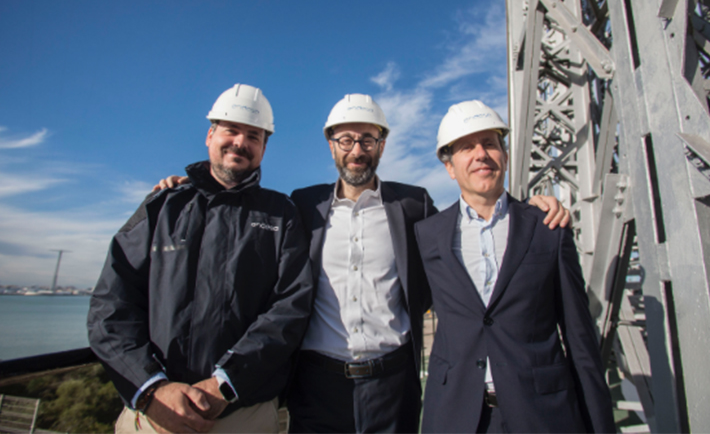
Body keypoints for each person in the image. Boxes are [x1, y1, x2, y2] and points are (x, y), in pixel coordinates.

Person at [154, 94, 569, 433]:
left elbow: (469, 224)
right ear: (331, 145)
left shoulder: (413, 203)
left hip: (393, 385)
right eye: (346, 140)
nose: (357, 151)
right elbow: (244, 207)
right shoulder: (302, 204)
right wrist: (189, 186)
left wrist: (528, 208)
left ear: (382, 146)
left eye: (368, 140)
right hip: (316, 385)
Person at [87, 84, 313, 434]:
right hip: (153, 415)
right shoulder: (161, 206)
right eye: (231, 130)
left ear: (264, 148)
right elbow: (110, 306)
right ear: (210, 135)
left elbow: (291, 307)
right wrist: (151, 389)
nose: (240, 142)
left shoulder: (281, 214)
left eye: (253, 136)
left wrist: (225, 383)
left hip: (243, 415)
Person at [414, 100, 615, 433]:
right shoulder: (427, 235)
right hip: (456, 417)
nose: (480, 154)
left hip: (541, 415)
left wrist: (600, 425)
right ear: (449, 167)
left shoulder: (547, 228)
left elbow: (580, 339)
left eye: (490, 144)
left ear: (504, 156)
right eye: (466, 147)